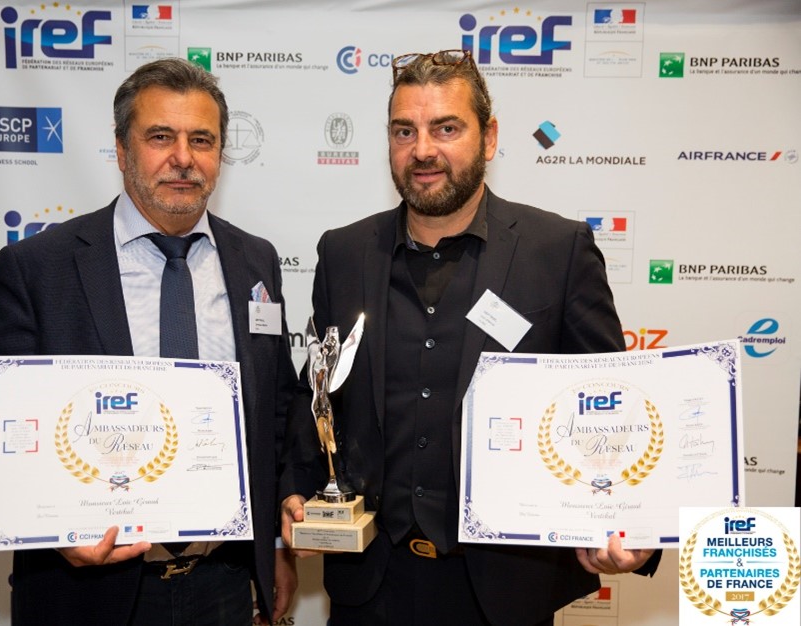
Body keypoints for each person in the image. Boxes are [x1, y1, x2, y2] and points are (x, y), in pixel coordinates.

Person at [279, 49, 660, 625]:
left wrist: (633, 526)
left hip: (502, 594)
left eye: (446, 128)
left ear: (489, 138)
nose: (423, 150)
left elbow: (610, 410)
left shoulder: (557, 252)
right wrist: (297, 487)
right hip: (371, 590)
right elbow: (321, 399)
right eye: (404, 130)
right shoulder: (343, 252)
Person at [0, 58, 298, 626]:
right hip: (84, 592)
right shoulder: (41, 267)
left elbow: (278, 409)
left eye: (202, 140)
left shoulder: (254, 261)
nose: (183, 157)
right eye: (161, 136)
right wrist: (55, 533)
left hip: (225, 586)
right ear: (121, 149)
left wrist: (278, 548)